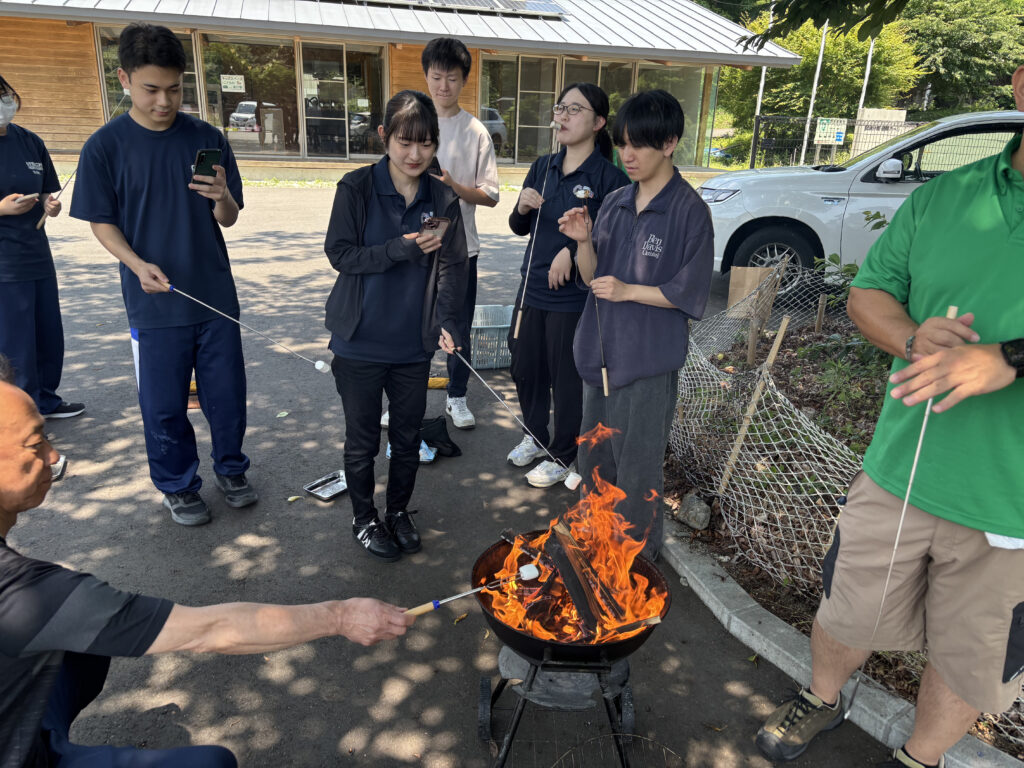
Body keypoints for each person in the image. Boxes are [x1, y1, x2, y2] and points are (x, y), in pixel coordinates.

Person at [754, 66, 1024, 768]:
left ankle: (920, 758)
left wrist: (1010, 358)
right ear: (1023, 85)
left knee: (970, 657)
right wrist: (910, 338)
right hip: (900, 467)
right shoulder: (945, 197)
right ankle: (821, 698)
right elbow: (868, 295)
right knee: (846, 608)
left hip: (1013, 507)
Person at [0, 368, 414, 768]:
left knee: (78, 647)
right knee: (212, 762)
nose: (54, 456)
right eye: (35, 442)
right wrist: (341, 616)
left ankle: (37, 732)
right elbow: (211, 629)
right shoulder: (27, 595)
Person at [70, 24, 255, 527]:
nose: (164, 101)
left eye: (174, 89)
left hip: (214, 294)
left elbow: (229, 218)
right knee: (163, 404)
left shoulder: (207, 138)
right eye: (151, 89)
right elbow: (101, 222)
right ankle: (178, 485)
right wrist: (136, 264)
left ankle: (232, 469)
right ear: (124, 79)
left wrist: (222, 196)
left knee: (227, 397)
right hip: (154, 302)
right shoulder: (105, 146)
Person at [559, 89, 713, 558]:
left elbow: (687, 293)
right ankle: (593, 549)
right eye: (623, 143)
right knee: (594, 459)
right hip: (600, 354)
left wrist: (629, 290)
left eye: (639, 144)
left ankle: (634, 565)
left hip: (647, 364)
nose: (628, 154)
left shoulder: (689, 211)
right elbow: (593, 279)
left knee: (637, 470)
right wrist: (583, 243)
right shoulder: (615, 202)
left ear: (669, 143)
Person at [324, 90, 466, 563]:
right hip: (359, 342)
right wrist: (399, 249)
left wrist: (447, 320)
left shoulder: (441, 196)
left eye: (426, 143)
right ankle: (364, 518)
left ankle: (399, 511)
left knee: (407, 438)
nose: (415, 154)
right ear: (384, 136)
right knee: (362, 440)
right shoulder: (357, 187)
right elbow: (340, 254)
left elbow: (452, 266)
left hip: (412, 345)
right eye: (405, 142)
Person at [506, 82, 628, 488]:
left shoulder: (609, 178)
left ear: (598, 122)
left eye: (575, 109)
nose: (563, 116)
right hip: (531, 287)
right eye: (561, 108)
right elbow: (518, 226)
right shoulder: (543, 167)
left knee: (565, 376)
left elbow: (610, 240)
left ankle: (563, 453)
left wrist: (572, 251)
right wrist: (521, 206)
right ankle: (535, 435)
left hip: (572, 297)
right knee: (525, 366)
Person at [421, 36, 500, 430]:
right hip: (416, 246)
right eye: (437, 77)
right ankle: (406, 398)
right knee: (411, 324)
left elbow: (491, 195)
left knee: (457, 325)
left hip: (460, 248)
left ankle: (456, 396)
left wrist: (455, 187)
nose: (443, 86)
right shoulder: (414, 122)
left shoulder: (475, 131)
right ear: (426, 76)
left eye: (452, 78)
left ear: (464, 80)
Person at [0, 75, 84, 421]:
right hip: (5, 263)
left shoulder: (29, 141)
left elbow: (48, 189)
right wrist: (1, 208)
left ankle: (47, 400)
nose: (4, 103)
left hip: (36, 252)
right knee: (15, 341)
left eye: (4, 94)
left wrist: (51, 204)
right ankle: (21, 412)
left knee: (48, 333)